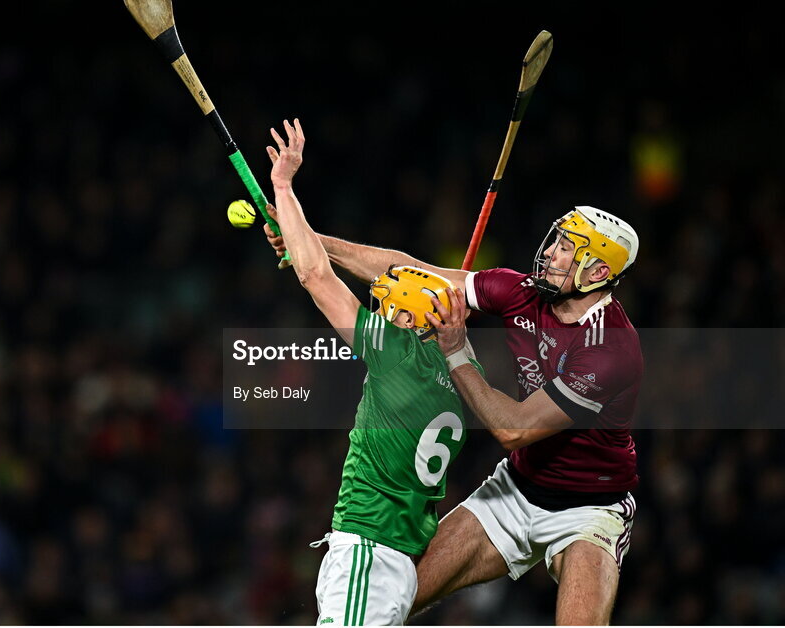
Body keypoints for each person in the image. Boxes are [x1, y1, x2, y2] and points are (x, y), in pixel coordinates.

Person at [266, 204, 642, 625]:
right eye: (555, 241)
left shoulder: (611, 349)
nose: (551, 254)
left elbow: (514, 429)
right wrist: (311, 241)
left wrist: (456, 351)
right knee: (391, 596)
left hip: (589, 508)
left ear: (595, 274)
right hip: (517, 489)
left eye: (567, 250)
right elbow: (410, 272)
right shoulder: (520, 290)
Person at [263, 119, 483, 625]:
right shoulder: (463, 366)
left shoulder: (395, 351)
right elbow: (402, 267)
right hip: (399, 564)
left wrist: (284, 186)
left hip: (367, 553)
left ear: (408, 321)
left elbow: (315, 276)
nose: (377, 313)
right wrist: (303, 234)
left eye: (386, 309)